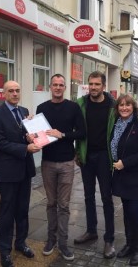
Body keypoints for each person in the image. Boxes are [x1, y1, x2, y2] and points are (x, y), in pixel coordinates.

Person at [0, 80, 41, 267]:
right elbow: (1, 143)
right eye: (11, 91)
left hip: (24, 170)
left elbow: (25, 135)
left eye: (17, 90)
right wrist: (25, 147)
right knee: (7, 212)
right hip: (8, 170)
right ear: (4, 94)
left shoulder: (24, 111)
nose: (15, 94)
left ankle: (21, 243)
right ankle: (4, 250)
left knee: (23, 210)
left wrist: (31, 135)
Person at [36, 74, 86, 261]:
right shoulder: (42, 108)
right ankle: (51, 240)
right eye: (55, 85)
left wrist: (62, 134)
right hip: (47, 162)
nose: (58, 88)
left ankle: (63, 243)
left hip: (66, 162)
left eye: (61, 85)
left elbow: (82, 133)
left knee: (63, 205)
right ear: (50, 87)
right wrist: (30, 127)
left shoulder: (73, 107)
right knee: (50, 203)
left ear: (65, 87)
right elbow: (38, 133)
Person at [74, 70, 116, 259]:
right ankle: (91, 230)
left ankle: (109, 239)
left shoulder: (112, 106)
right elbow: (76, 128)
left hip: (105, 157)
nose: (93, 87)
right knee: (88, 196)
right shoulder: (81, 104)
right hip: (87, 156)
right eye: (90, 84)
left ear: (103, 86)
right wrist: (77, 151)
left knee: (107, 198)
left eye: (97, 84)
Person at [111, 94, 138, 266]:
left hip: (137, 177)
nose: (124, 108)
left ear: (133, 107)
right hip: (122, 176)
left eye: (127, 105)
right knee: (127, 213)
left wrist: (124, 163)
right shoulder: (116, 125)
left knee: (135, 213)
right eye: (121, 105)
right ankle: (130, 244)